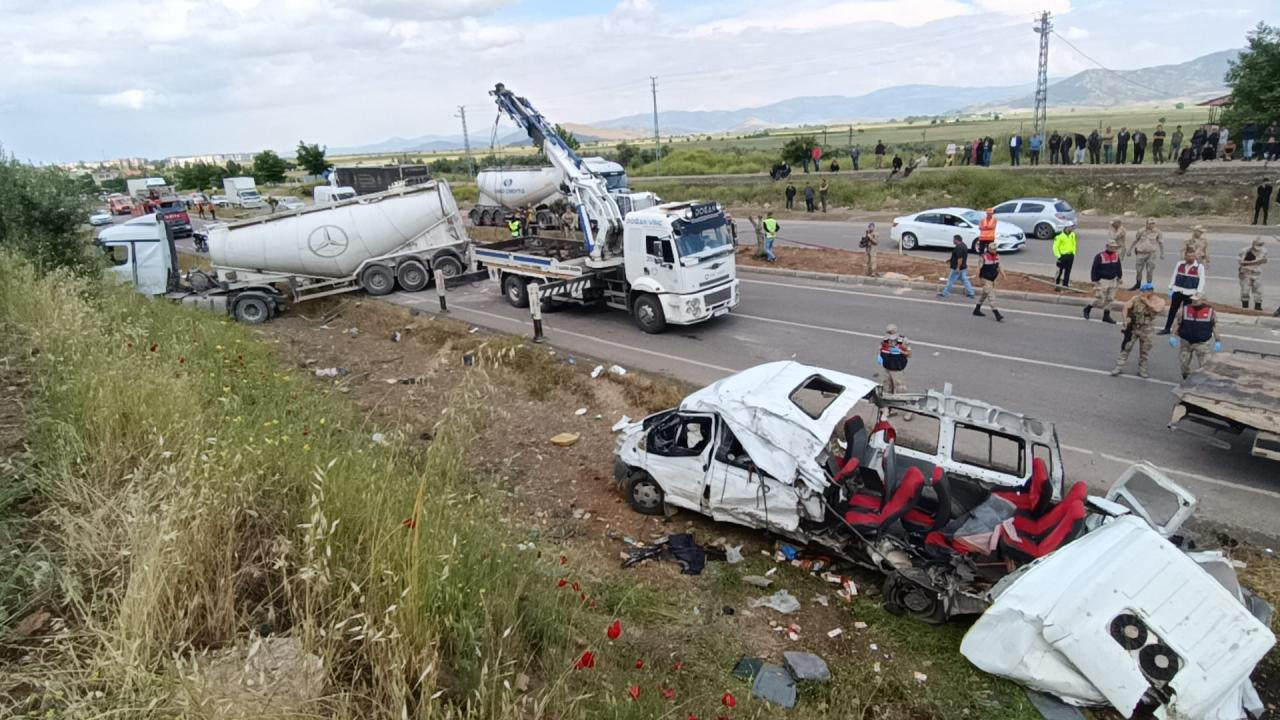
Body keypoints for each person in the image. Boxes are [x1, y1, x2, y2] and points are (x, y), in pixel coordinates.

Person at [1111, 283, 1165, 378]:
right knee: (1126, 347)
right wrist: (1125, 319)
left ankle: (1142, 369)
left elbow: (1157, 309)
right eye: (1141, 291)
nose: (1142, 293)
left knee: (1144, 351)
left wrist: (1146, 301)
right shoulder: (1136, 298)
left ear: (1150, 291)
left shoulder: (1158, 301)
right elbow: (1126, 307)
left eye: (1144, 291)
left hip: (1147, 329)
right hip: (1134, 327)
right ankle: (1119, 366)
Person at [1170, 294, 1220, 379]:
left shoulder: (1210, 311)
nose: (1194, 301)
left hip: (1202, 343)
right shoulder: (1184, 309)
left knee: (1205, 365)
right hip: (1186, 342)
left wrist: (1218, 340)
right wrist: (1172, 336)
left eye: (1197, 300)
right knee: (1184, 363)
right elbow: (1178, 323)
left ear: (1203, 300)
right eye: (1193, 300)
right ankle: (1186, 377)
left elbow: (1214, 326)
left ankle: (1203, 381)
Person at [1159, 248, 1206, 335]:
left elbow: (1202, 280)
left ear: (1195, 256)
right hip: (1178, 290)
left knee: (1186, 312)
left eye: (1192, 256)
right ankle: (1167, 328)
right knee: (1172, 310)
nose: (1190, 258)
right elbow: (1174, 275)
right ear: (1185, 256)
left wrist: (1198, 293)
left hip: (1190, 292)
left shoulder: (1199, 267)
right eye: (1188, 256)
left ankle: (1182, 330)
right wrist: (1170, 287)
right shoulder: (1180, 264)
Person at [877, 324, 913, 420]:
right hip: (887, 369)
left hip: (897, 370)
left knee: (901, 391)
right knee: (886, 389)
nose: (891, 340)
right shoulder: (884, 340)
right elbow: (880, 349)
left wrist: (901, 351)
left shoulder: (903, 341)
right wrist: (879, 356)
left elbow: (909, 354)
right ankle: (889, 409)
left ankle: (909, 410)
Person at [1084, 238, 1123, 323]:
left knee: (1110, 299)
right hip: (1102, 281)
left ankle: (1106, 316)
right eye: (1111, 247)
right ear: (1107, 246)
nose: (1113, 248)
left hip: (1113, 280)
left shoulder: (1116, 255)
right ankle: (1088, 308)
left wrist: (1120, 277)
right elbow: (1094, 268)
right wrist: (1094, 280)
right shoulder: (1099, 256)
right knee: (1100, 299)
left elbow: (1118, 267)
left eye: (1114, 247)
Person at [1127, 217, 1164, 290]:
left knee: (1150, 270)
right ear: (1146, 224)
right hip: (1140, 253)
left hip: (1151, 254)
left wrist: (1162, 253)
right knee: (1138, 270)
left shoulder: (1158, 232)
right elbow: (1135, 240)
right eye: (1150, 224)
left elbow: (1161, 243)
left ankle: (1149, 286)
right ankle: (1138, 284)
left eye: (1153, 224)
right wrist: (1129, 250)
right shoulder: (1141, 231)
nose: (1152, 225)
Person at [938, 234, 976, 299]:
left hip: (957, 268)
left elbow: (960, 258)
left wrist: (957, 268)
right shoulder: (963, 245)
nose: (953, 241)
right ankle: (971, 293)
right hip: (963, 267)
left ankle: (945, 293)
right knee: (965, 280)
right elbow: (957, 257)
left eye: (954, 239)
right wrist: (950, 260)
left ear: (956, 240)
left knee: (950, 280)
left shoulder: (959, 247)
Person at [974, 246, 1005, 322]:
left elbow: (999, 266)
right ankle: (997, 313)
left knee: (984, 294)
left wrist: (1003, 274)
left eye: (996, 249)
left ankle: (977, 309)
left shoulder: (997, 256)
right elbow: (979, 268)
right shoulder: (984, 257)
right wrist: (977, 278)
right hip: (985, 279)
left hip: (991, 279)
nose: (995, 250)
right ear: (989, 249)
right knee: (991, 296)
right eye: (994, 249)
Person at [1239, 237, 1268, 310]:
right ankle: (1245, 307)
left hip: (1257, 273)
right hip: (1246, 272)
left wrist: (1250, 262)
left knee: (1258, 291)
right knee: (1245, 291)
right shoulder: (1245, 250)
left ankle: (1258, 306)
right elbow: (1240, 261)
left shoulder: (1264, 251)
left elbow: (1264, 260)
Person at [1053, 223, 1078, 290]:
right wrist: (1059, 256)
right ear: (1066, 227)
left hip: (1070, 255)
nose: (1072, 228)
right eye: (1071, 227)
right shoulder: (1059, 236)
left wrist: (1073, 253)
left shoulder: (1072, 235)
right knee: (1059, 271)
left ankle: (1065, 285)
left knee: (1068, 271)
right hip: (1062, 256)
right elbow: (1055, 247)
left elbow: (1074, 244)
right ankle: (1057, 285)